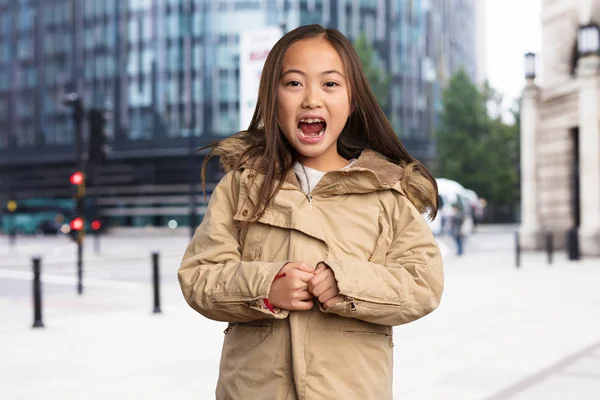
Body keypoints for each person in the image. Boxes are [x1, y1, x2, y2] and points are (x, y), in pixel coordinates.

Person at [178, 24, 444, 400]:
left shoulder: (387, 192)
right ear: (273, 98)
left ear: (352, 101)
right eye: (294, 83)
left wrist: (346, 284)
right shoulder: (244, 184)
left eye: (330, 84)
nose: (312, 100)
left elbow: (424, 284)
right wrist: (266, 286)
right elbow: (199, 276)